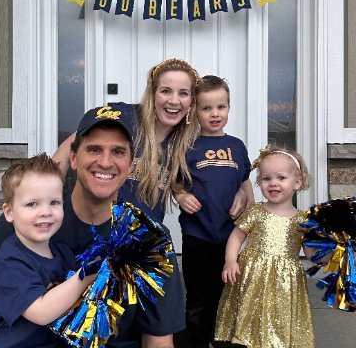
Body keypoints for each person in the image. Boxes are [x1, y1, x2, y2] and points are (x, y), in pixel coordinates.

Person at [0, 106, 185, 348]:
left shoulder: (148, 238)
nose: (106, 162)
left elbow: (158, 342)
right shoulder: (27, 223)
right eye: (94, 149)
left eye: (118, 152)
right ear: (73, 158)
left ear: (130, 165)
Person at [53, 58, 247, 223]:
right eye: (165, 91)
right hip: (97, 230)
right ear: (153, 93)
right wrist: (48, 197)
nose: (174, 100)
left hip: (145, 241)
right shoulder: (124, 116)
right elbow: (70, 147)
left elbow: (219, 173)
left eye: (183, 93)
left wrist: (241, 192)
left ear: (191, 102)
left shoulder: (187, 142)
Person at [0, 153, 97, 347]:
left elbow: (77, 301)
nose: (45, 211)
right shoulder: (9, 263)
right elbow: (41, 312)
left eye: (54, 202)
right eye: (32, 204)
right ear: (9, 212)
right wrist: (85, 275)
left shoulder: (62, 253)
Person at [174, 75, 254, 348]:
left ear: (229, 108)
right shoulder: (187, 146)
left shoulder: (237, 146)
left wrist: (244, 197)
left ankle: (222, 339)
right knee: (198, 294)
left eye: (220, 107)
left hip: (229, 236)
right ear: (194, 111)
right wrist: (181, 195)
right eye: (206, 108)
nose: (214, 113)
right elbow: (173, 182)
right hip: (197, 234)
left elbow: (245, 182)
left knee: (227, 292)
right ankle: (198, 339)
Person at [214, 146, 315, 347]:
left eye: (281, 178)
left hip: (285, 284)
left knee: (278, 323)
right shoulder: (257, 212)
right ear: (259, 182)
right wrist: (231, 260)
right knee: (248, 316)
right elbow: (236, 237)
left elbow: (312, 254)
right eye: (267, 178)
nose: (273, 183)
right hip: (252, 276)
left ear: (297, 182)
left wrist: (331, 251)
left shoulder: (303, 221)